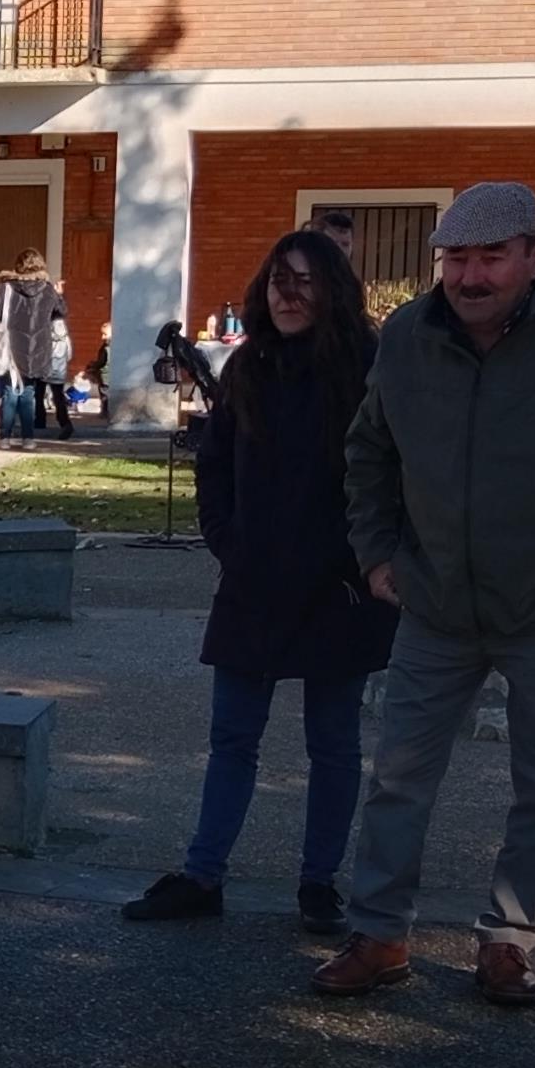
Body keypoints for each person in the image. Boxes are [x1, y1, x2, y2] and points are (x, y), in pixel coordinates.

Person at [317, 181, 535, 1008]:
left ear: (534, 256)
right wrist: (377, 556)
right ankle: (379, 933)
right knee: (399, 777)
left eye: (490, 257)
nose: (470, 277)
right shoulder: (408, 335)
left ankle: (510, 939)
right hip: (436, 605)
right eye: (455, 258)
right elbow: (368, 452)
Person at [123, 230, 392, 936]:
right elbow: (215, 463)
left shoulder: (369, 367)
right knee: (232, 738)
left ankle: (318, 883)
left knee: (333, 743)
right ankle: (203, 874)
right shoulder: (249, 367)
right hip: (255, 581)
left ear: (333, 287)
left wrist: (364, 559)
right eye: (279, 281)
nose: (290, 294)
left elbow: (393, 474)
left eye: (305, 280)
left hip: (340, 588)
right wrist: (227, 541)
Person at [0, 248, 62, 449]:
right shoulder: (48, 290)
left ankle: (5, 437)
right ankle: (28, 438)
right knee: (28, 394)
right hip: (37, 348)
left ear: (18, 266)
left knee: (9, 392)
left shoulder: (6, 288)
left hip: (10, 347)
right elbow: (61, 312)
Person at [42, 300, 77, 438]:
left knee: (39, 395)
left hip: (45, 367)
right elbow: (69, 354)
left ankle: (39, 421)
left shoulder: (46, 333)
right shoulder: (65, 336)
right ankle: (64, 422)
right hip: (60, 370)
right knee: (58, 397)